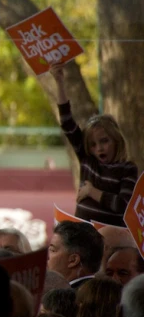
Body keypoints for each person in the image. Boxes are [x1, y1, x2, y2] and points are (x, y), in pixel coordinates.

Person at [50, 65, 138, 226]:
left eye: (104, 141)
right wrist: (59, 82)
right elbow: (67, 122)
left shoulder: (127, 168)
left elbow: (124, 206)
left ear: (116, 140)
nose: (99, 148)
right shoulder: (87, 159)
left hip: (110, 236)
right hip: (83, 231)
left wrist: (92, 191)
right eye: (93, 144)